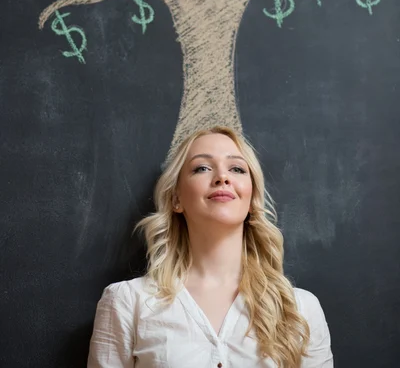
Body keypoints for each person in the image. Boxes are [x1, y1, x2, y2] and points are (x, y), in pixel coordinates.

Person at [87, 126, 333, 367]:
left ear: (251, 197)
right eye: (202, 168)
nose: (222, 178)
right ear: (176, 198)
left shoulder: (300, 308)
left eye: (237, 168)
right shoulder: (128, 302)